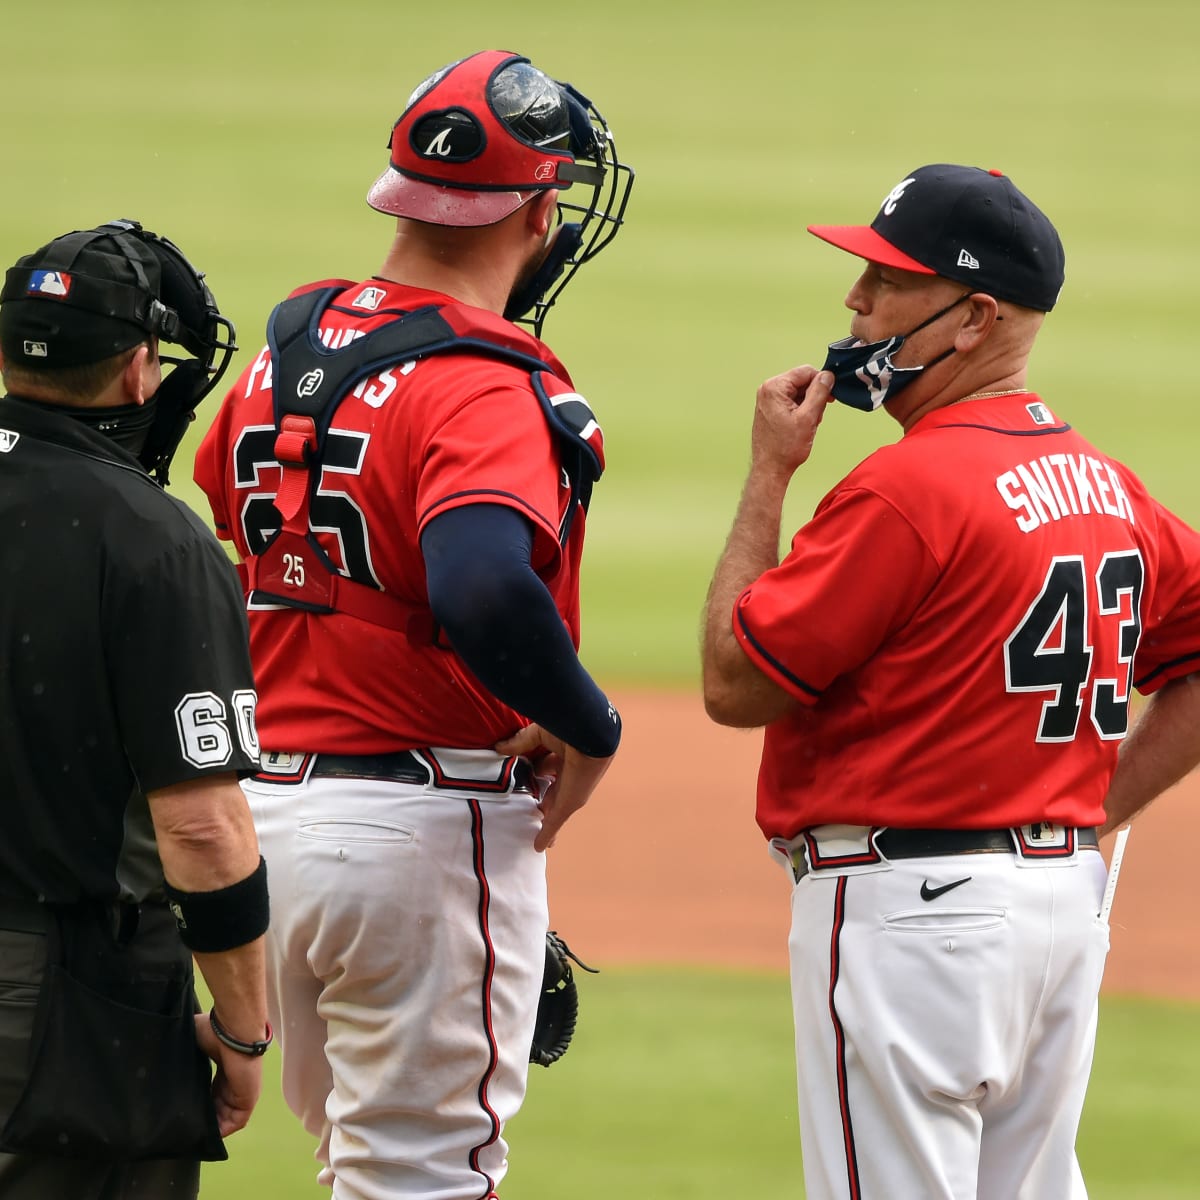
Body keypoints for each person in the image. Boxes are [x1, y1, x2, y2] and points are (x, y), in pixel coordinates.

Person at [701, 163, 1200, 1199]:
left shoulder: (905, 488)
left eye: (887, 280)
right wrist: (1090, 812)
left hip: (911, 928)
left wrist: (768, 475)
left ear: (972, 319)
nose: (856, 302)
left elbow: (736, 682)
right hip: (1060, 911)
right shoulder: (1109, 486)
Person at [194, 49, 632, 1199]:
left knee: (355, 1164)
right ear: (540, 210)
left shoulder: (279, 353)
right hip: (413, 838)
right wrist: (586, 723)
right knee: (422, 1180)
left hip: (263, 829)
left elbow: (226, 534)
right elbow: (480, 584)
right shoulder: (488, 380)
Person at [0, 220, 271, 1200]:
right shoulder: (153, 544)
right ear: (138, 372)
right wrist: (242, 1026)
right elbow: (202, 823)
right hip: (61, 1010)